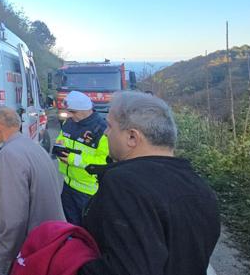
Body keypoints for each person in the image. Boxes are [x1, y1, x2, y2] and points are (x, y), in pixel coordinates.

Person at [79, 91, 220, 275]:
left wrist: (74, 263)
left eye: (110, 126)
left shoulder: (124, 184)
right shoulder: (199, 185)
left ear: (132, 137)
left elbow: (126, 269)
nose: (106, 133)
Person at [0, 106, 65, 275]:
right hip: (50, 243)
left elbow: (12, 219)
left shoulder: (9, 155)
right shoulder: (33, 147)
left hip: (30, 251)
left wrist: (2, 263)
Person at [54, 90, 109, 225]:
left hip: (88, 192)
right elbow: (61, 138)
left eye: (73, 112)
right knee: (70, 226)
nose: (70, 115)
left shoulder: (102, 130)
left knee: (88, 230)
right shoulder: (69, 122)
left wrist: (73, 159)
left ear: (85, 110)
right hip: (68, 185)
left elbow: (104, 162)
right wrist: (59, 145)